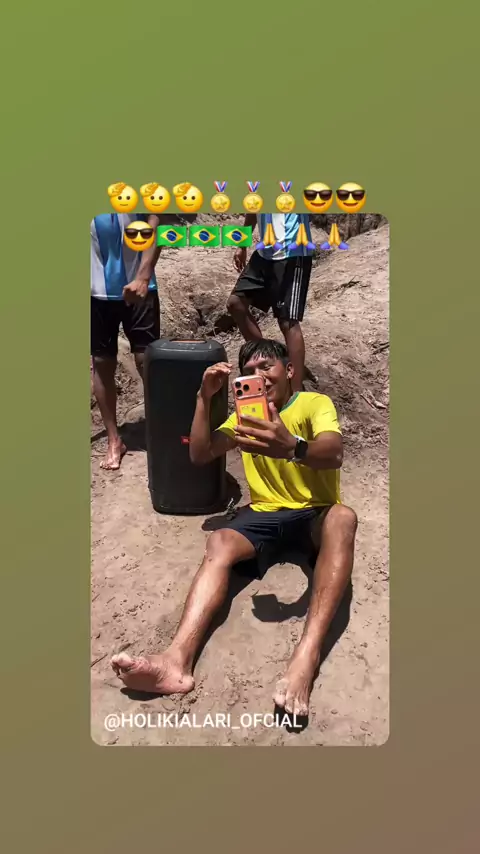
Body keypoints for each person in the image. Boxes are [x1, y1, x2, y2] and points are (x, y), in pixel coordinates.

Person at [111, 339, 357, 716]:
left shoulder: (313, 404)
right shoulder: (244, 417)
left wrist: (294, 447)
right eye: (249, 372)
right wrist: (203, 398)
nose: (259, 376)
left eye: (266, 367)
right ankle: (176, 661)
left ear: (289, 371)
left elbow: (334, 452)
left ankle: (306, 657)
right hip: (264, 513)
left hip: (314, 513)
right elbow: (200, 453)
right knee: (221, 541)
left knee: (344, 517)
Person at [91, 212, 161, 470]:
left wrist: (144, 275)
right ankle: (114, 440)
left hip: (140, 287)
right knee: (101, 362)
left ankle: (162, 428)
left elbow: (156, 222)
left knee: (147, 360)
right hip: (96, 292)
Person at [227, 213, 315, 393]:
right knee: (236, 303)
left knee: (287, 321)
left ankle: (296, 391)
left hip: (292, 251)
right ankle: (270, 359)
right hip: (264, 252)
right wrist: (242, 245)